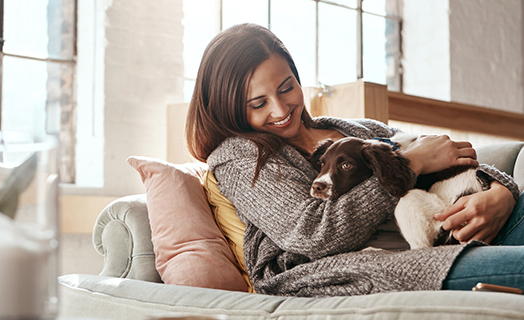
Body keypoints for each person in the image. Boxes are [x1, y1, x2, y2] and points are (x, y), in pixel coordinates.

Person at [185, 23, 524, 297]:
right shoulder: (238, 156)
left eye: (287, 87)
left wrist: (502, 194)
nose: (280, 108)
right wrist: (409, 164)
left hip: (450, 227)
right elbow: (312, 234)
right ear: (230, 108)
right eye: (258, 104)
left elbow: (450, 158)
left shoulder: (357, 130)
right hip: (366, 266)